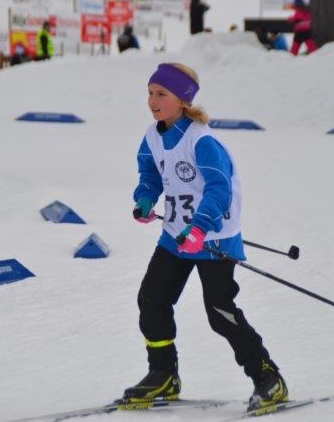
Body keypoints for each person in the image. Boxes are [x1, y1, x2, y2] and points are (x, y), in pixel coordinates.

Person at [123, 63, 288, 412]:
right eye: (150, 92)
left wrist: (199, 228)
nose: (152, 100)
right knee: (152, 299)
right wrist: (144, 199)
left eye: (161, 94)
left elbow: (219, 190)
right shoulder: (153, 137)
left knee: (219, 312)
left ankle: (268, 378)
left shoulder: (203, 140)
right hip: (175, 235)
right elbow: (150, 175)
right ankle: (163, 373)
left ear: (182, 100)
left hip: (212, 236)